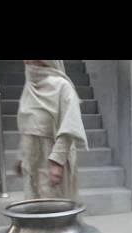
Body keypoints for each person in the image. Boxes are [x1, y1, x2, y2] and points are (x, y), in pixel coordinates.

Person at [16, 60, 88, 201]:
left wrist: (57, 162)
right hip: (31, 161)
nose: (25, 61)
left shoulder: (62, 86)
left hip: (51, 161)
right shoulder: (29, 86)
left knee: (55, 208)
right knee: (33, 206)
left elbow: (69, 128)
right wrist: (21, 156)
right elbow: (27, 126)